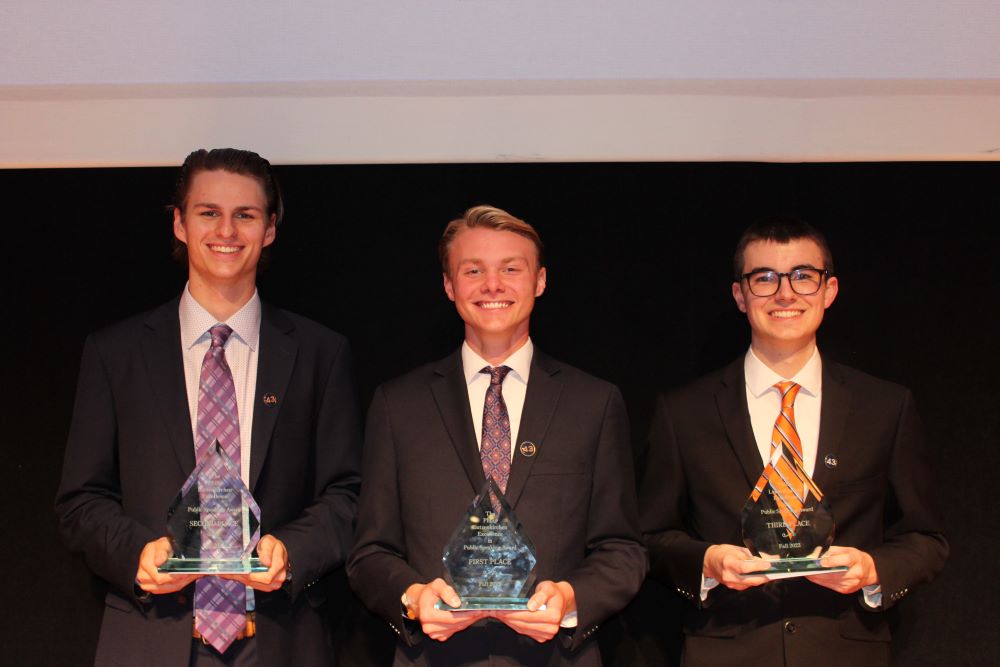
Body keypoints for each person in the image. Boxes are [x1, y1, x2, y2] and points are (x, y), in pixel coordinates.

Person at [55, 148, 361, 666]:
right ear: (179, 223)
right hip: (150, 640)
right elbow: (80, 501)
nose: (227, 230)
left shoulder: (319, 353)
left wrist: (290, 551)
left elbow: (348, 494)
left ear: (269, 230)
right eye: (208, 212)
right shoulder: (117, 353)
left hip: (280, 642)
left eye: (246, 215)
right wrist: (137, 554)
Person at [638, 216, 948, 666]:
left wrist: (872, 570)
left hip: (846, 652)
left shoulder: (886, 407)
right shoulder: (683, 412)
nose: (785, 293)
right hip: (725, 651)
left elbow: (926, 538)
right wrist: (707, 562)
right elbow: (646, 536)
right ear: (740, 296)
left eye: (803, 276)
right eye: (764, 278)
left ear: (830, 290)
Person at [348, 205, 647, 666]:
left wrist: (569, 598)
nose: (493, 285)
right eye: (473, 270)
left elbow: (623, 549)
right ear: (449, 286)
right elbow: (369, 552)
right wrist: (412, 596)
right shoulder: (397, 405)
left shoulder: (595, 403)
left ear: (540, 281)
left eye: (511, 269)